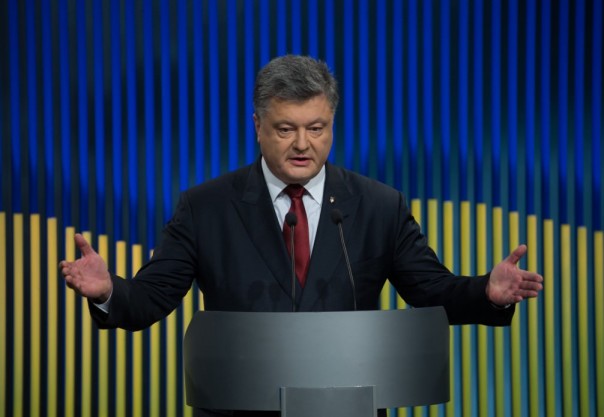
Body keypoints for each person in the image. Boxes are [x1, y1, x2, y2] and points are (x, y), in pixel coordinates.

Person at [60, 55, 543, 416]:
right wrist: (107, 291)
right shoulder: (206, 207)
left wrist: (486, 292)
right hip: (240, 408)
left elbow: (431, 290)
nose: (302, 144)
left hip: (348, 408)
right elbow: (150, 298)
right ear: (257, 126)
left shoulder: (379, 205)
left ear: (332, 124)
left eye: (316, 128)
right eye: (285, 129)